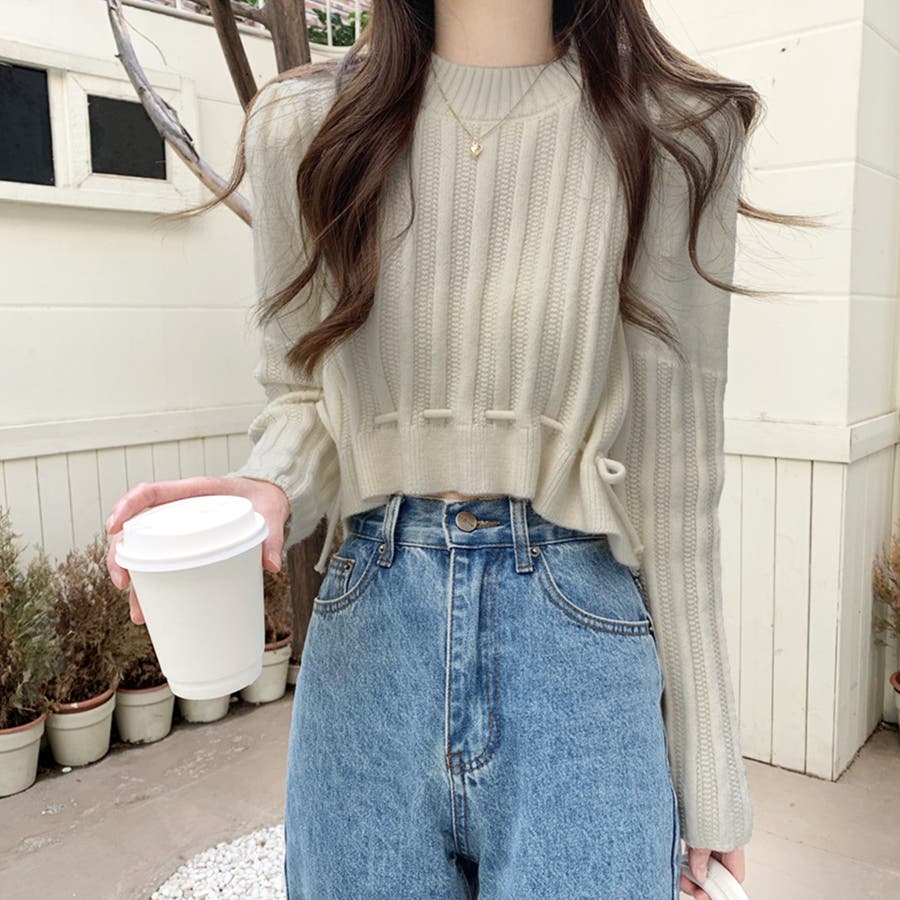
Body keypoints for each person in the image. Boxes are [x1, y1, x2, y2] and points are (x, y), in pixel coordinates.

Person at [106, 2, 803, 897]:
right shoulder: (303, 128)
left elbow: (675, 481)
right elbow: (306, 395)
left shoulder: (676, 131)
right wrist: (267, 485)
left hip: (579, 653)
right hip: (369, 656)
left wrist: (711, 782)